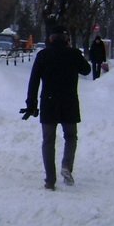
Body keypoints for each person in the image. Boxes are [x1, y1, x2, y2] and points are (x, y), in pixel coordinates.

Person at [21, 26, 91, 190]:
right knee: (71, 137)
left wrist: (31, 104)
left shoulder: (43, 55)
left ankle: (50, 180)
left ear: (50, 39)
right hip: (69, 102)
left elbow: (34, 82)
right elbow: (87, 70)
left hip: (49, 102)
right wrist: (75, 52)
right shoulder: (73, 54)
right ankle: (66, 166)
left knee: (48, 140)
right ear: (66, 39)